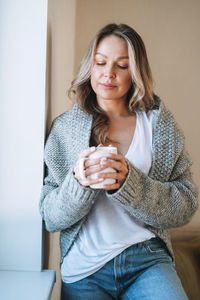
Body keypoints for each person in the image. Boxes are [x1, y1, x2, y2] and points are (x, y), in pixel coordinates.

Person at [39, 23, 198, 300]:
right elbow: (51, 218)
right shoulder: (65, 130)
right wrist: (79, 183)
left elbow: (185, 206)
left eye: (122, 66)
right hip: (84, 269)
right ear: (90, 66)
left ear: (135, 73)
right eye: (100, 62)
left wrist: (129, 183)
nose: (108, 73)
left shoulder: (159, 127)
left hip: (147, 260)